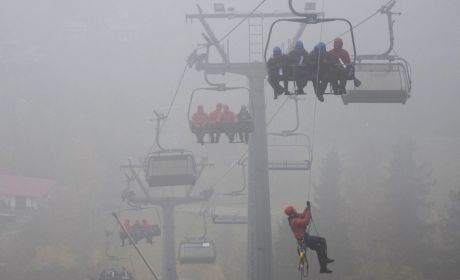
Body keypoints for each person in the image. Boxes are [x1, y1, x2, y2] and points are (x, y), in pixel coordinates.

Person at [284, 201, 334, 274]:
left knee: (319, 247)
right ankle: (324, 259)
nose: (295, 209)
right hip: (305, 239)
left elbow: (302, 215)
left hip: (304, 239)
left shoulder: (294, 217)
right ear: (292, 211)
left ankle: (323, 268)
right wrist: (308, 212)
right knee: (322, 241)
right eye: (293, 209)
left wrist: (307, 208)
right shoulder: (294, 221)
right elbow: (306, 221)